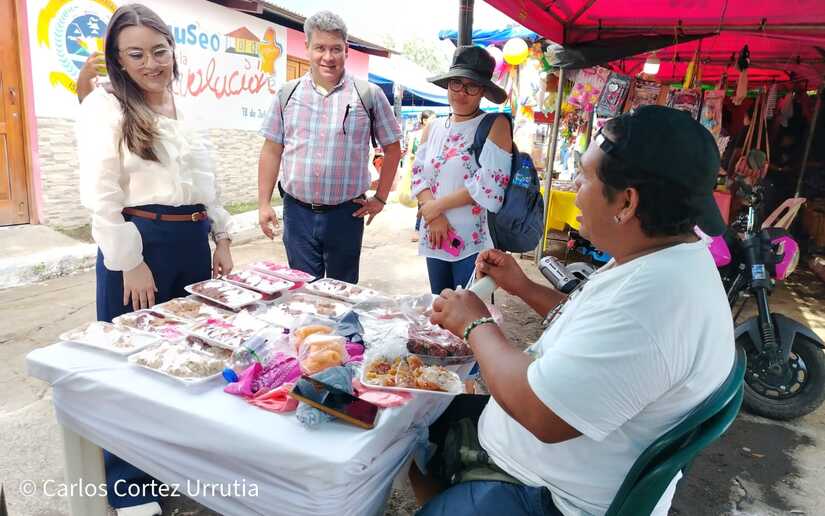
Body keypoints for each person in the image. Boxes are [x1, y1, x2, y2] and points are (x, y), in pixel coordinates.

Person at [417, 106, 735, 516]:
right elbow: (592, 324)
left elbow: (541, 415)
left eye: (585, 177)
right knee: (419, 420)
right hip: (549, 461)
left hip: (549, 496)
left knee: (410, 432)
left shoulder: (652, 301)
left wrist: (475, 324)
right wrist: (524, 287)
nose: (576, 189)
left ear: (626, 201)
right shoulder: (662, 255)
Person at [75, 4, 233, 514]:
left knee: (188, 357)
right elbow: (99, 195)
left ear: (172, 51)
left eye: (159, 51)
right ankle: (129, 488)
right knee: (132, 365)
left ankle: (171, 466)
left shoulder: (184, 107)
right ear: (118, 60)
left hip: (191, 241)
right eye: (136, 54)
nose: (151, 63)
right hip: (139, 243)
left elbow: (205, 182)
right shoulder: (107, 107)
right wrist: (128, 260)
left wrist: (222, 237)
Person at [257, 10, 401, 283]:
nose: (328, 57)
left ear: (346, 51)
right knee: (302, 290)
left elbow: (393, 148)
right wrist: (264, 203)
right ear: (308, 48)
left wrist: (380, 198)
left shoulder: (369, 95)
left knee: (342, 293)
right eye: (320, 48)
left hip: (346, 214)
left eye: (336, 49)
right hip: (297, 213)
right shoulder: (288, 94)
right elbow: (272, 149)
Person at [411, 46, 511, 294]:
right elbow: (417, 175)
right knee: (440, 308)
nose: (462, 93)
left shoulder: (495, 124)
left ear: (483, 91)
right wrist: (433, 215)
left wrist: (437, 206)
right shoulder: (432, 127)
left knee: (466, 315)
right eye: (457, 83)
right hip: (435, 235)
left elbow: (490, 183)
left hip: (474, 243)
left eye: (472, 86)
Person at [408, 110, 437, 242]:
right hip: (419, 171)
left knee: (429, 202)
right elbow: (411, 154)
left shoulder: (437, 132)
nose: (434, 120)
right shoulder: (416, 135)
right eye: (432, 118)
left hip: (432, 173)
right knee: (423, 202)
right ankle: (419, 229)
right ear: (424, 120)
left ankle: (423, 228)